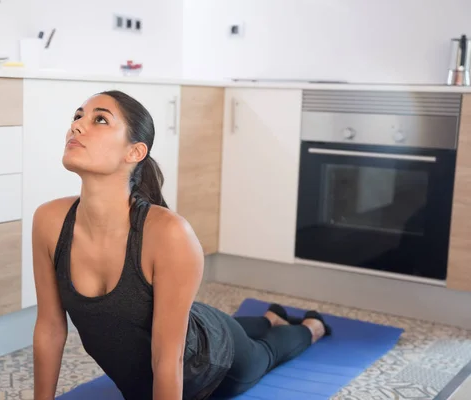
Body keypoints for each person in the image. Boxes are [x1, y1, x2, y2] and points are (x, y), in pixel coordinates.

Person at [31, 90, 332, 400]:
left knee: (265, 353)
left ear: (134, 152)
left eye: (100, 119)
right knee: (197, 322)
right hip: (190, 324)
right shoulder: (49, 221)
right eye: (77, 116)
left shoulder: (169, 234)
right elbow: (50, 328)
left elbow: (167, 358)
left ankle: (310, 328)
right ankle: (269, 318)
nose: (77, 126)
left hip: (213, 364)